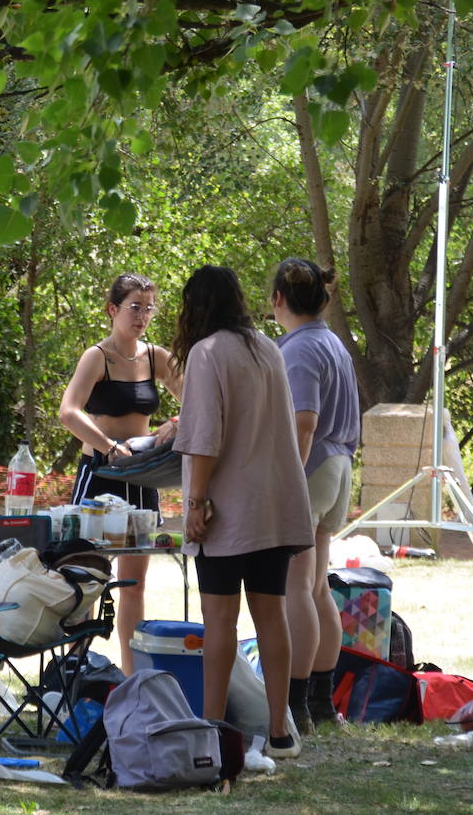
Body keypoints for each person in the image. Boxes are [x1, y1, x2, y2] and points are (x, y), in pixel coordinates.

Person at [169, 265, 313, 758]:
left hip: (228, 510)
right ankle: (279, 731)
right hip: (275, 506)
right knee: (271, 615)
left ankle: (212, 728)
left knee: (220, 621)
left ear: (197, 307)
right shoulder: (268, 348)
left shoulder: (209, 353)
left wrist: (195, 502)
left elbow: (205, 438)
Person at [58, 272, 182, 672]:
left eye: (148, 308)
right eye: (134, 307)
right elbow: (69, 412)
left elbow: (202, 394)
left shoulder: (156, 357)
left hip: (143, 478)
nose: (142, 316)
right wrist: (109, 448)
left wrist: (177, 422)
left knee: (134, 583)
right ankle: (74, 670)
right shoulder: (97, 356)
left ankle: (133, 677)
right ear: (113, 309)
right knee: (86, 575)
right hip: (100, 475)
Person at [271, 258, 362, 732]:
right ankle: (322, 703)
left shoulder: (301, 350)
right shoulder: (332, 343)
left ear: (277, 300)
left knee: (295, 588)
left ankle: (298, 705)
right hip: (338, 466)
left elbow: (303, 423)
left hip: (313, 467)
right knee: (315, 586)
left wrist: (286, 478)